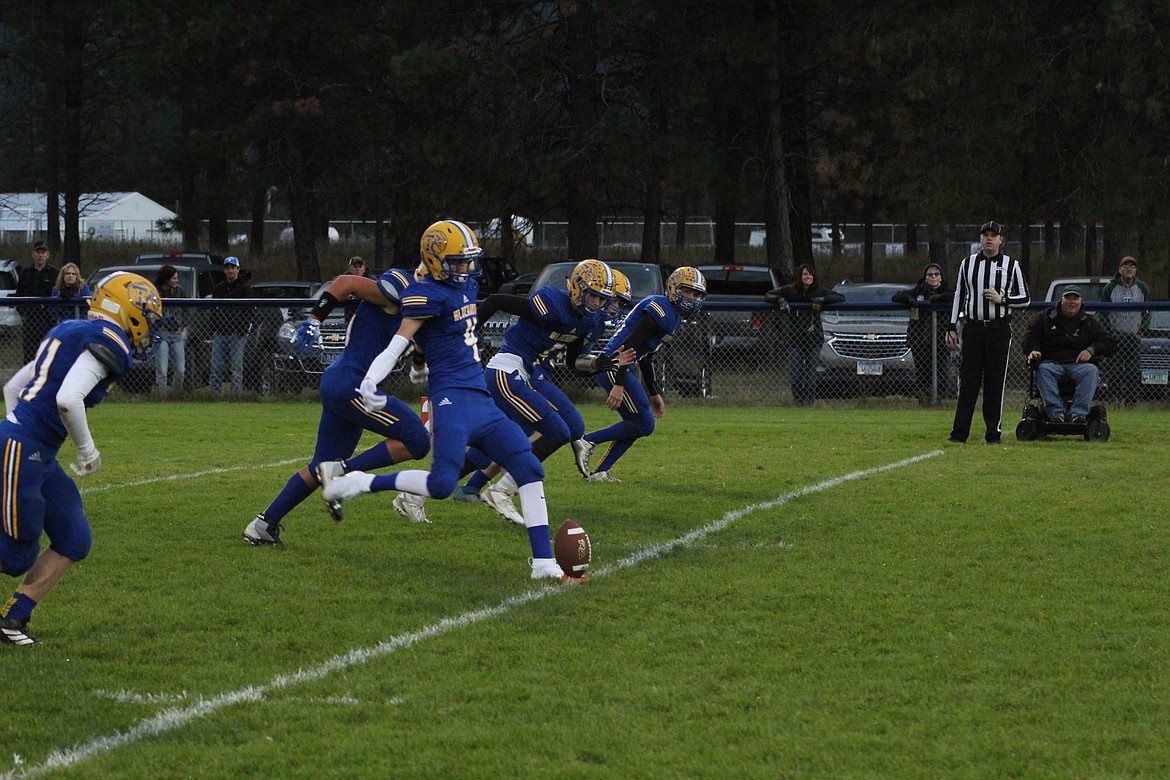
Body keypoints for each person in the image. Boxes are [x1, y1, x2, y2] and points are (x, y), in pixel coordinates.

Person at [318, 219, 575, 581]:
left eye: (468, 260)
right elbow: (398, 344)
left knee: (530, 469)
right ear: (436, 260)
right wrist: (370, 383)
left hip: (482, 399)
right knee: (441, 485)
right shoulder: (426, 294)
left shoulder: (466, 284)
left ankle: (544, 563)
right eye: (456, 261)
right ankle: (362, 482)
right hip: (451, 400)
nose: (465, 268)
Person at [0, 272, 162, 645]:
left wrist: (19, 430)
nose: (149, 324)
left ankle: (11, 621)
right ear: (128, 308)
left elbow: (14, 387)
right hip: (25, 448)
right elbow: (67, 399)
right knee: (15, 555)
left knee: (74, 537)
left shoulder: (70, 329)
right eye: (148, 314)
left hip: (32, 449)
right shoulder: (111, 341)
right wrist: (87, 451)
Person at [242, 268, 431, 546]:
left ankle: (263, 524)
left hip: (341, 384)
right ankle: (341, 472)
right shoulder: (402, 286)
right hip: (351, 384)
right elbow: (348, 282)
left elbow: (416, 349)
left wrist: (420, 362)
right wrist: (314, 318)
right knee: (417, 440)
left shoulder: (426, 306)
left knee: (320, 465)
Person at [456, 259, 634, 524]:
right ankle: (499, 490)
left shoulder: (587, 321)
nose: (597, 305)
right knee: (554, 431)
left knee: (506, 439)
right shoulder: (553, 302)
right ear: (577, 288)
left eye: (602, 300)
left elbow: (575, 362)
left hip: (525, 375)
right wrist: (465, 339)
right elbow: (494, 301)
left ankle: (422, 491)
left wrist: (599, 363)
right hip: (509, 370)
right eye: (593, 297)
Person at [571, 266, 709, 483]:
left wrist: (654, 393)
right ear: (674, 289)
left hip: (619, 366)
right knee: (645, 423)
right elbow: (630, 345)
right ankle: (587, 441)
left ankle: (599, 472)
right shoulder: (661, 308)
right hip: (614, 365)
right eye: (689, 292)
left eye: (697, 295)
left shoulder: (673, 317)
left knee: (637, 424)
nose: (692, 299)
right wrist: (618, 383)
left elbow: (646, 355)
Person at [945, 220, 1030, 444]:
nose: (989, 238)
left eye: (994, 235)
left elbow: (1025, 298)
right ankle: (959, 433)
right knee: (968, 382)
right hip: (973, 329)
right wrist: (951, 326)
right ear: (980, 238)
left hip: (998, 329)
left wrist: (1003, 300)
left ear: (1001, 240)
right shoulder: (968, 263)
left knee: (995, 383)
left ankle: (993, 433)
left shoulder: (1012, 265)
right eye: (985, 235)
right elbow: (959, 295)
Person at [1022, 285, 1116, 423]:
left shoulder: (1089, 322)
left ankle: (1078, 413)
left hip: (1079, 365)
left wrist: (1091, 350)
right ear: (1062, 300)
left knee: (1091, 370)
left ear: (1081, 301)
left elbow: (1110, 344)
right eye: (1068, 298)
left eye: (1075, 298)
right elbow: (1029, 337)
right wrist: (1033, 350)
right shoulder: (1045, 318)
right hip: (1051, 363)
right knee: (1043, 369)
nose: (1071, 302)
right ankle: (1056, 412)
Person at [765, 264, 843, 406]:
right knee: (796, 375)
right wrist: (780, 300)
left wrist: (822, 300)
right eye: (805, 274)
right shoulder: (790, 290)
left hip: (813, 339)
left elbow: (840, 297)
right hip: (795, 339)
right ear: (799, 277)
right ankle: (798, 402)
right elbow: (769, 294)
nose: (808, 277)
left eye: (811, 274)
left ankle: (809, 403)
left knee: (811, 375)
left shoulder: (819, 290)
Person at [892, 263, 953, 402]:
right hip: (920, 339)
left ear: (941, 278)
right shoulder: (918, 291)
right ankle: (923, 398)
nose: (933, 277)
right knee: (922, 371)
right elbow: (897, 296)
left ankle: (939, 399)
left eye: (936, 274)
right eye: (930, 275)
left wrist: (939, 299)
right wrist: (910, 300)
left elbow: (956, 296)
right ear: (925, 278)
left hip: (940, 339)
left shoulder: (948, 291)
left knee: (941, 370)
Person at [1098, 256, 1150, 405]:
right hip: (1115, 336)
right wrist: (1108, 332)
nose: (1129, 268)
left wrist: (1142, 331)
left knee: (1133, 371)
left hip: (1134, 337)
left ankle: (1131, 402)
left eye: (1132, 266)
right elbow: (1102, 313)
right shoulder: (1110, 288)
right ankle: (1113, 401)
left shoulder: (1142, 288)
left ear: (1136, 270)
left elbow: (1148, 312)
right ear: (1120, 269)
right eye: (1125, 266)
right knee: (1114, 371)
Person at [208, 256, 252, 393]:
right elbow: (213, 310)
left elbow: (250, 311)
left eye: (233, 268)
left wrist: (242, 329)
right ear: (224, 270)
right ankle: (213, 395)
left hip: (237, 335)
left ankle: (235, 396)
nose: (230, 271)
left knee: (236, 367)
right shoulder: (219, 288)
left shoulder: (245, 288)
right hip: (220, 333)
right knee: (216, 366)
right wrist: (215, 327)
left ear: (238, 269)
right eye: (227, 268)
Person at [16, 241, 59, 364]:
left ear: (48, 255)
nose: (40, 255)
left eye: (43, 252)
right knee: (30, 355)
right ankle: (29, 380)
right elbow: (19, 296)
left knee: (49, 353)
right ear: (33, 254)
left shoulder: (54, 274)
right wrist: (24, 315)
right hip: (30, 321)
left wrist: (53, 315)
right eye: (38, 252)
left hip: (48, 321)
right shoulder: (25, 273)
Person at [153, 265, 188, 396]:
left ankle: (176, 394)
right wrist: (156, 325)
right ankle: (163, 396)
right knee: (162, 369)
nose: (176, 281)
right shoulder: (155, 292)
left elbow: (187, 310)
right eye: (174, 278)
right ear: (166, 279)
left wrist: (182, 325)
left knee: (180, 369)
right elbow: (148, 310)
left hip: (176, 334)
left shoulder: (180, 291)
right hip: (162, 334)